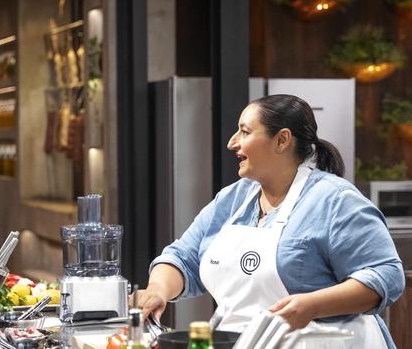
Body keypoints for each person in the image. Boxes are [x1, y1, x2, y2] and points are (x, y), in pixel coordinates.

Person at [137, 94, 405, 348]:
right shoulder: (233, 199)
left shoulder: (335, 200)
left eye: (244, 132)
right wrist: (158, 290)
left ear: (282, 140)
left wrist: (313, 305)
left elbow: (386, 276)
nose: (232, 142)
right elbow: (183, 257)